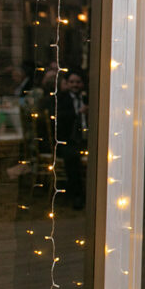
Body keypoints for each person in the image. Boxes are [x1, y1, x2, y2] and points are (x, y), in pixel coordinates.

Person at [53, 70, 88, 210]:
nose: (75, 85)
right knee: (72, 157)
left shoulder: (88, 98)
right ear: (67, 84)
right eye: (72, 82)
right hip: (68, 139)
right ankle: (77, 195)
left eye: (78, 82)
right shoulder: (61, 99)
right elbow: (59, 119)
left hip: (87, 139)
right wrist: (77, 112)